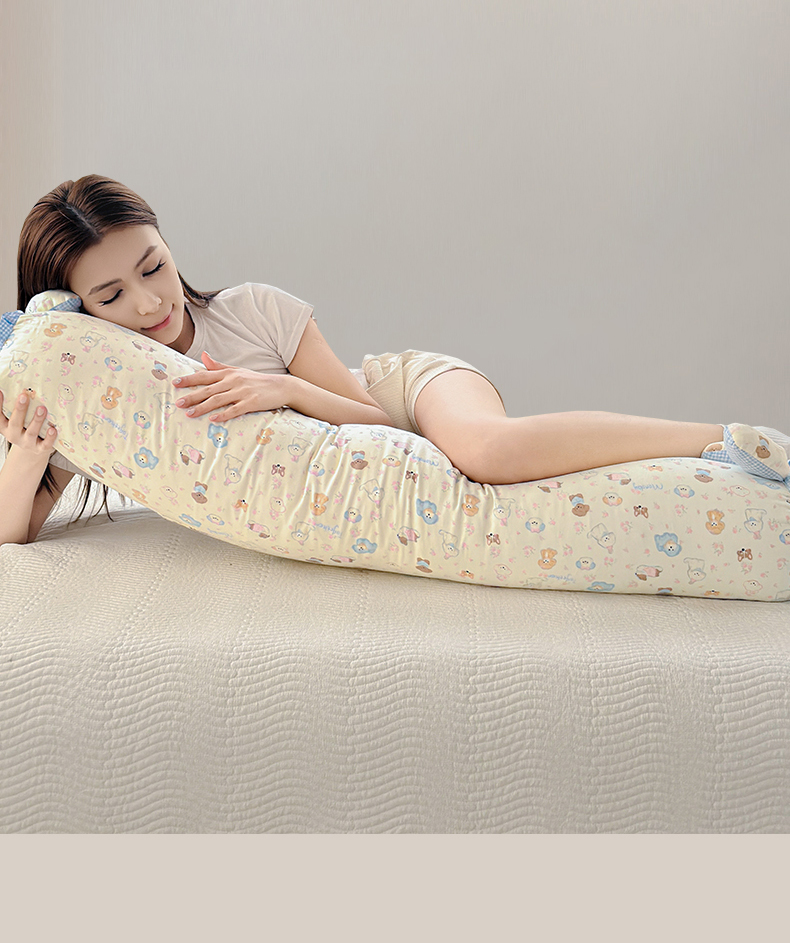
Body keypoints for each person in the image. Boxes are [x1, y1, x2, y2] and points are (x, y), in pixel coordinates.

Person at [1, 174, 788, 547]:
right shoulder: (109, 391)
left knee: (488, 454)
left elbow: (380, 420)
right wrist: (29, 453)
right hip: (370, 436)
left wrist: (279, 388)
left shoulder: (252, 310)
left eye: (154, 266)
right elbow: (16, 531)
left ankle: (717, 439)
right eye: (111, 295)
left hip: (406, 391)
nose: (149, 302)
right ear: (71, 309)